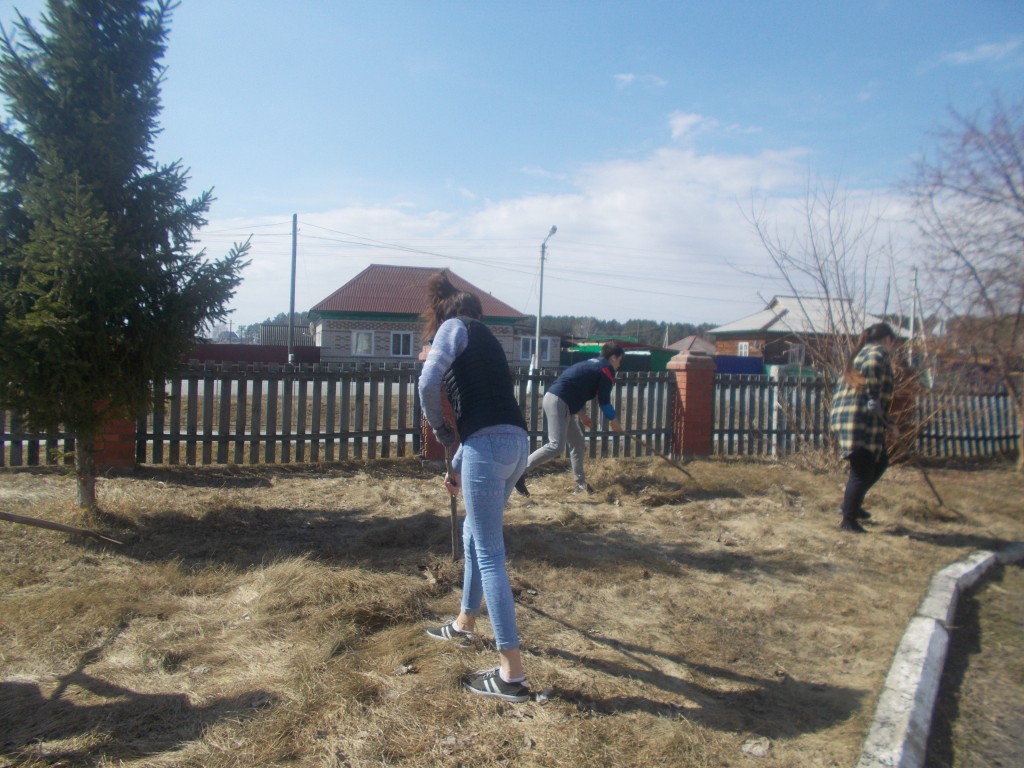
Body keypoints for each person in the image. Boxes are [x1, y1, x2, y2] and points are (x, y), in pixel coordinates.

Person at [417, 272, 532, 702]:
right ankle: (465, 623)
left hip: (487, 446)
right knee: (472, 534)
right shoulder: (488, 339)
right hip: (515, 445)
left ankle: (511, 675)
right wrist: (457, 466)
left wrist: (441, 430)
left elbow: (427, 383)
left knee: (489, 554)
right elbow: (489, 413)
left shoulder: (453, 327)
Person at [515, 342, 625, 496]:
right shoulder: (606, 369)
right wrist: (614, 420)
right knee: (556, 446)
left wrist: (581, 415)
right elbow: (604, 401)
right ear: (613, 358)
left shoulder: (593, 364)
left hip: (561, 401)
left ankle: (581, 485)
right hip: (559, 401)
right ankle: (518, 473)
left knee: (577, 442)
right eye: (620, 361)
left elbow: (574, 388)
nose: (619, 365)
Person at [829, 322, 899, 534]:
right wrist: (889, 424)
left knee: (880, 461)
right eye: (893, 344)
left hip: (849, 417)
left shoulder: (860, 355)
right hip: (859, 420)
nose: (892, 348)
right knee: (862, 470)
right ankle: (848, 520)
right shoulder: (877, 354)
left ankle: (852, 505)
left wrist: (885, 422)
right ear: (888, 339)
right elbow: (873, 401)